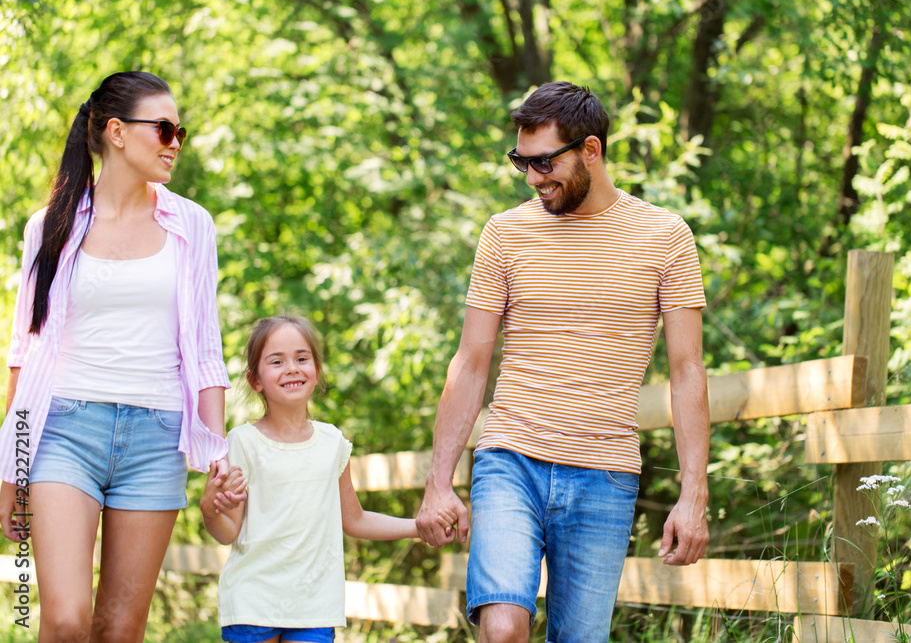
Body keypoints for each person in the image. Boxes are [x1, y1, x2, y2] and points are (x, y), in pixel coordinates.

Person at [415, 81, 711, 642]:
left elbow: (687, 372)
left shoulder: (665, 236)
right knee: (503, 628)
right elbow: (471, 362)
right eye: (521, 163)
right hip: (510, 460)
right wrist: (439, 481)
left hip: (605, 474)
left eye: (545, 162)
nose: (532, 178)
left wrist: (693, 494)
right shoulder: (505, 234)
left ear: (591, 150)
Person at [0, 71, 237, 641]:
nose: (175, 141)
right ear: (116, 133)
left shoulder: (192, 225)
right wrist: (13, 465)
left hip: (156, 439)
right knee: (63, 619)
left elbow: (206, 350)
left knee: (120, 628)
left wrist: (216, 455)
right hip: (63, 431)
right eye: (163, 128)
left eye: (179, 130)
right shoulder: (51, 227)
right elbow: (23, 353)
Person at [201, 316, 450, 643]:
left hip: (315, 607)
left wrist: (418, 527)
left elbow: (356, 519)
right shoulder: (241, 442)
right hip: (252, 604)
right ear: (256, 380)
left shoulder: (332, 443)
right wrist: (210, 510)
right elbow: (228, 531)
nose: (292, 368)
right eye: (277, 361)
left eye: (302, 359)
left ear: (316, 372)